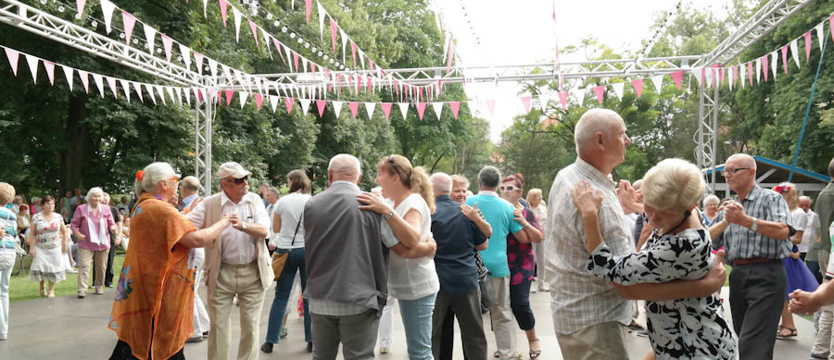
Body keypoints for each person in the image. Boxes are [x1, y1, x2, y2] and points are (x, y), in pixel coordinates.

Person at [546, 109, 726, 359]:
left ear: (680, 207)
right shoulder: (681, 217)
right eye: (622, 134)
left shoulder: (570, 179)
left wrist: (706, 286)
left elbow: (624, 280)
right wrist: (705, 285)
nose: (628, 140)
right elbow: (628, 282)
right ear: (600, 140)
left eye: (653, 207)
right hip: (598, 323)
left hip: (691, 346)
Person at [572, 158, 735, 359]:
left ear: (690, 206)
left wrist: (589, 215)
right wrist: (634, 205)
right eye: (650, 205)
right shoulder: (686, 216)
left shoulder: (681, 245)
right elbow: (660, 214)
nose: (653, 218)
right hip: (681, 341)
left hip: (696, 350)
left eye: (665, 213)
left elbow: (613, 272)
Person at [305, 154, 428, 360]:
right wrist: (428, 248)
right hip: (360, 298)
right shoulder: (371, 205)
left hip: (320, 296)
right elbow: (400, 246)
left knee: (321, 356)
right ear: (359, 177)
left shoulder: (312, 204)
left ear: (329, 174)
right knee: (360, 356)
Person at [108, 162, 233, 360]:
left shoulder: (143, 205)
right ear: (164, 184)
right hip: (159, 289)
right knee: (160, 344)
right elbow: (197, 239)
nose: (178, 184)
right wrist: (224, 222)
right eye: (175, 180)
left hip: (144, 285)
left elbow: (168, 230)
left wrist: (176, 211)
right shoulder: (160, 210)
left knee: (137, 341)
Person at [708, 153, 792, 359]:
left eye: (733, 170)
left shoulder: (771, 198)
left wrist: (746, 220)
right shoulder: (729, 207)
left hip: (766, 274)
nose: (727, 175)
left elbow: (784, 231)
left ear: (752, 172)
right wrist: (726, 220)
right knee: (747, 336)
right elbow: (705, 239)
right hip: (737, 275)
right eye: (724, 171)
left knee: (753, 343)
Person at [185, 162, 273, 360]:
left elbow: (265, 230)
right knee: (219, 327)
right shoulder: (210, 204)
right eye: (240, 180)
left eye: (246, 179)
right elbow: (186, 225)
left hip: (253, 271)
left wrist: (241, 225)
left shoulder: (255, 200)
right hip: (220, 271)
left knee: (251, 326)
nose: (246, 184)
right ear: (225, 184)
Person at [357, 154, 440, 360]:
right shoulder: (397, 201)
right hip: (409, 285)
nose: (376, 179)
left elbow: (411, 240)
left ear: (395, 178)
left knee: (420, 353)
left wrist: (386, 210)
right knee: (418, 351)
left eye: (379, 174)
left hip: (417, 286)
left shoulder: (412, 202)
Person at [466, 166, 531, 360]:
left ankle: (476, 354)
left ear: (479, 182)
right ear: (498, 184)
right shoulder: (507, 207)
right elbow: (521, 238)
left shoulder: (467, 203)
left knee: (472, 315)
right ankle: (507, 353)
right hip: (498, 267)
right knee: (502, 311)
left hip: (472, 266)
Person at [428, 172, 490, 360]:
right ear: (449, 190)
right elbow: (482, 244)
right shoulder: (467, 213)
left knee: (436, 335)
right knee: (474, 335)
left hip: (437, 281)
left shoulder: (428, 213)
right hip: (466, 280)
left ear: (431, 189)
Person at [262, 170, 313, 353]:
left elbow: (275, 228)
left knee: (281, 297)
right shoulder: (311, 201)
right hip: (307, 251)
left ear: (292, 182)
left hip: (285, 251)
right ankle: (311, 340)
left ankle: (270, 340)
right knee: (308, 297)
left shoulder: (282, 202)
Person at [499, 174, 543, 359]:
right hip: (500, 263)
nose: (505, 191)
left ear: (519, 192)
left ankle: (533, 339)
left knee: (520, 303)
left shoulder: (527, 213)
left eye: (510, 188)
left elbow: (538, 237)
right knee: (501, 306)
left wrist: (523, 222)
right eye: (502, 188)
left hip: (522, 264)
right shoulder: (497, 210)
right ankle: (505, 345)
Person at [771, 182, 818, 339]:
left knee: (786, 293)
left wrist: (777, 236)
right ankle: (785, 324)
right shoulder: (787, 212)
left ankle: (789, 325)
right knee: (782, 292)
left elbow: (797, 238)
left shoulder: (799, 214)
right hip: (783, 255)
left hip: (789, 257)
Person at [70, 187, 118, 298]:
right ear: (89, 197)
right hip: (86, 243)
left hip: (103, 242)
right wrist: (77, 234)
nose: (97, 198)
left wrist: (113, 228)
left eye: (99, 196)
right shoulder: (81, 209)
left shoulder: (106, 209)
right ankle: (82, 289)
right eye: (94, 196)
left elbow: (111, 222)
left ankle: (99, 286)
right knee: (84, 266)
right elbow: (73, 225)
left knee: (101, 266)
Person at [809, 157, 834, 360]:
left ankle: (820, 348)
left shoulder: (824, 193)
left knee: (829, 305)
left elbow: (818, 226)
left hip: (825, 247)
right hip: (831, 247)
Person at [26, 196, 68, 298]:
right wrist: (32, 248)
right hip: (40, 247)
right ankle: (42, 286)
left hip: (55, 246)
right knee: (41, 268)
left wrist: (64, 244)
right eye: (48, 204)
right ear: (42, 205)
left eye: (53, 204)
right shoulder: (36, 217)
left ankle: (51, 290)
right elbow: (32, 233)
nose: (51, 206)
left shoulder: (58, 217)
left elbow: (64, 231)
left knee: (54, 268)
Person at [0, 182, 17, 341]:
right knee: (3, 291)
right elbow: (14, 235)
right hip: (9, 253)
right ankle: (3, 331)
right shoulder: (12, 214)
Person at [96, 193, 122, 288]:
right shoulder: (96, 209)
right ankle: (96, 281)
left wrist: (118, 236)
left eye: (106, 199)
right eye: (103, 199)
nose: (104, 201)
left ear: (109, 200)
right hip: (98, 238)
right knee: (97, 260)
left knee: (110, 259)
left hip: (110, 237)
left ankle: (108, 281)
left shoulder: (114, 210)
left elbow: (119, 223)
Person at [527, 188, 549, 293]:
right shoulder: (528, 209)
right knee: (532, 261)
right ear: (532, 198)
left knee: (542, 261)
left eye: (540, 196)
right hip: (532, 238)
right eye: (538, 196)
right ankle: (530, 284)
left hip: (543, 238)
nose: (540, 198)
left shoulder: (543, 208)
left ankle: (541, 283)